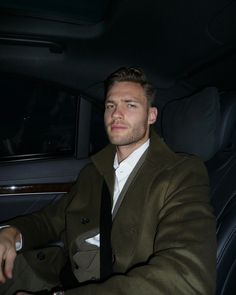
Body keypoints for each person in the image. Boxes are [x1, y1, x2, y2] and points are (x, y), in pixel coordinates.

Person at [0, 67, 216, 295]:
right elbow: (53, 219)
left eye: (130, 105)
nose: (116, 114)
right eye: (110, 106)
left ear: (151, 116)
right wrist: (13, 233)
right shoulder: (93, 172)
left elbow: (187, 279)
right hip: (59, 273)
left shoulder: (181, 173)